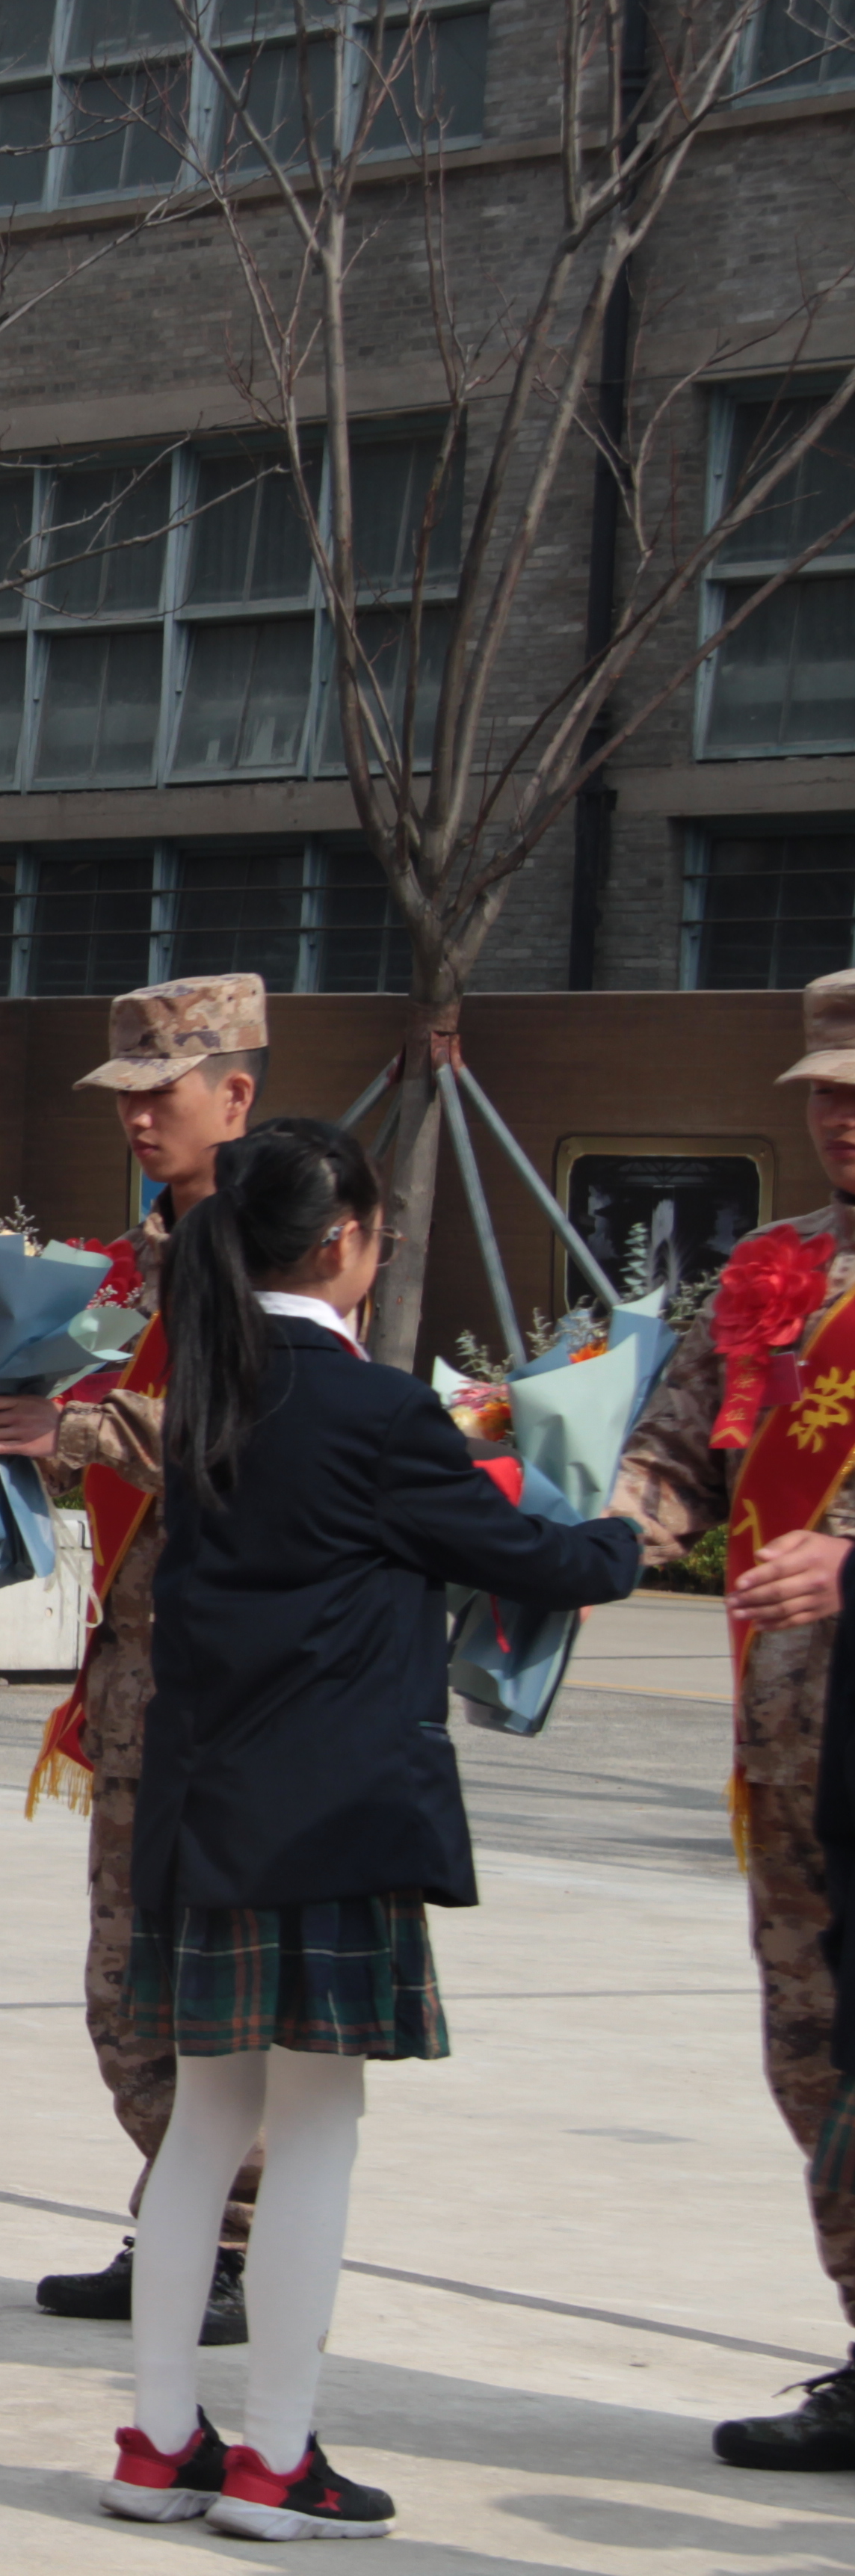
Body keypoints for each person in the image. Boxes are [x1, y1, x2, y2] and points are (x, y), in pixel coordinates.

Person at [102, 1118, 635, 2542]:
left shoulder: (211, 1384)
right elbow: (538, 1558)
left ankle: (157, 2439)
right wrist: (626, 1515)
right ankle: (276, 2455)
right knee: (316, 2130)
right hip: (327, 1815)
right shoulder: (373, 1409)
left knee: (205, 2129)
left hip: (203, 1806)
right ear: (343, 1241)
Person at [0, 974, 269, 2341]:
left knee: (205, 1972)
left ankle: (224, 2245)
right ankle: (176, 2219)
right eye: (123, 1097)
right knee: (123, 1973)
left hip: (233, 1676)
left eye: (163, 1092)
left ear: (234, 1095)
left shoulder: (285, 1245)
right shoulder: (140, 1258)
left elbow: (251, 1422)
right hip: (131, 1661)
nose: (138, 1118)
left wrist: (70, 1436)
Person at [610, 966, 855, 2471]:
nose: (841, 1116)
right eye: (825, 1089)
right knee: (815, 2056)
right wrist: (572, 1541)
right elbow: (671, 1459)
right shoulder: (774, 1270)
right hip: (789, 1754)